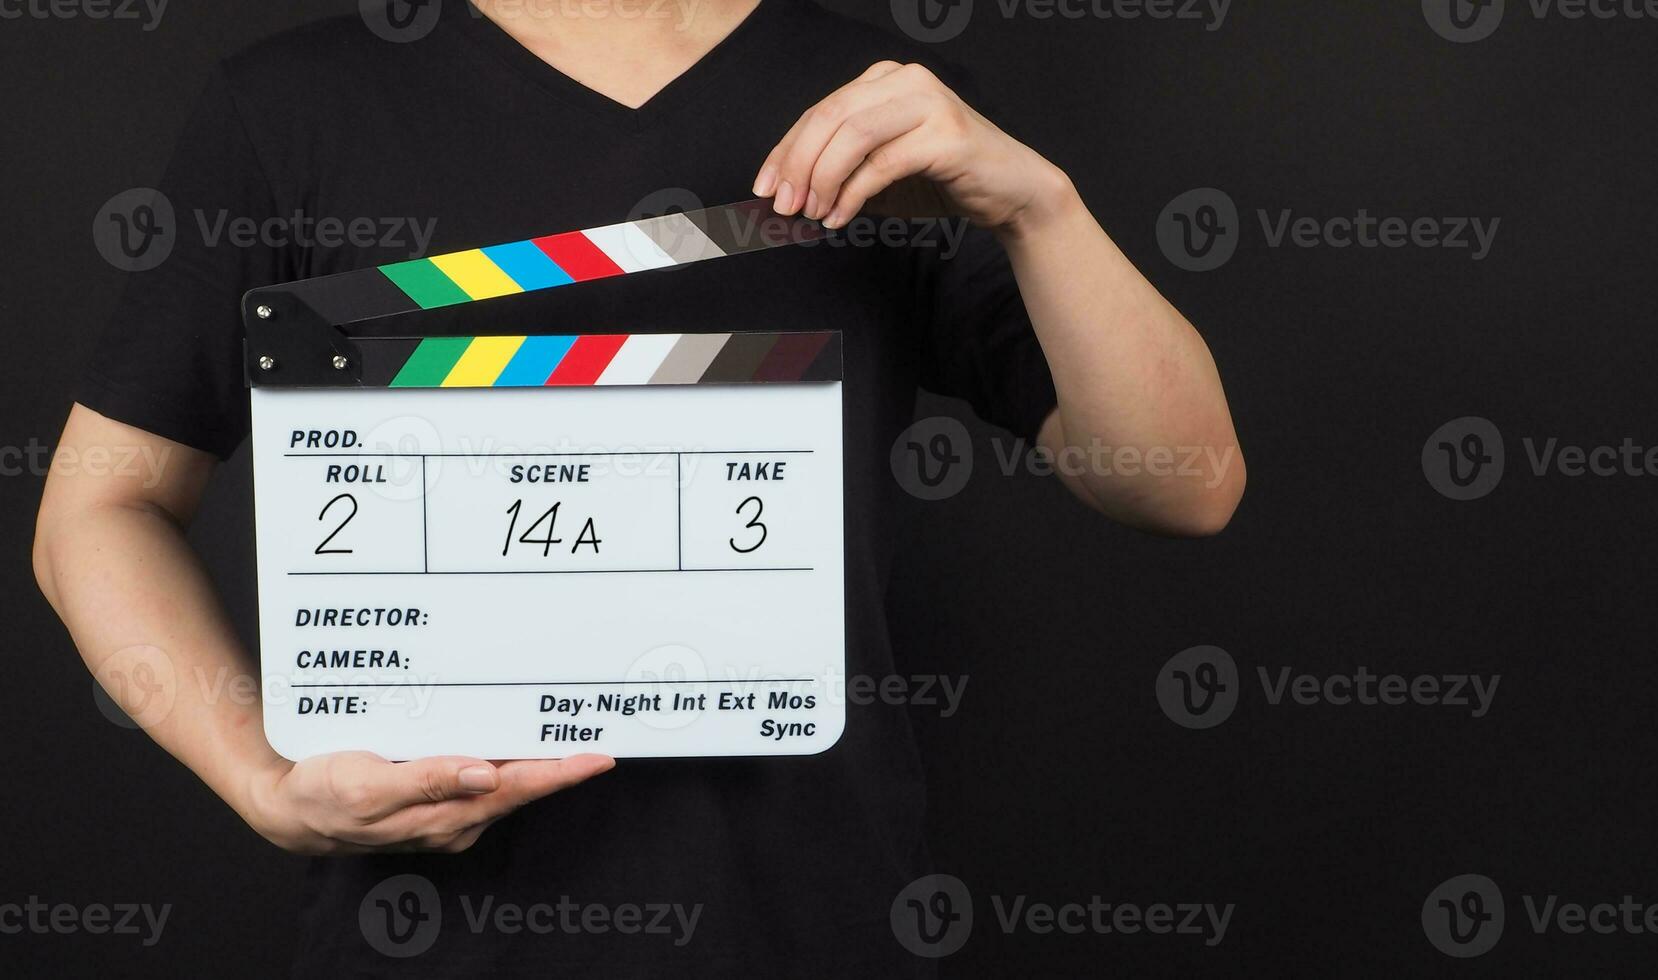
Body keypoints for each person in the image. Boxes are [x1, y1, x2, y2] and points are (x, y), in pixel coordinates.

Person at [33, 0, 1244, 974]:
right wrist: (263, 779)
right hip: (427, 937)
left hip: (813, 924)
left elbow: (1186, 483)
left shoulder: (887, 109)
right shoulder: (294, 106)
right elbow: (97, 507)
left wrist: (1038, 205)